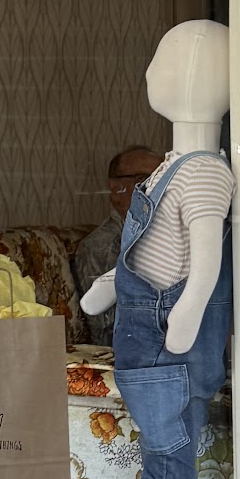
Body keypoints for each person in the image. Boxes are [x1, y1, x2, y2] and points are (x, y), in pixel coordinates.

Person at [73, 145, 162, 345]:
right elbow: (107, 326)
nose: (159, 187)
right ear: (116, 190)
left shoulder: (164, 236)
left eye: (162, 177)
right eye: (145, 179)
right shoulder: (102, 246)